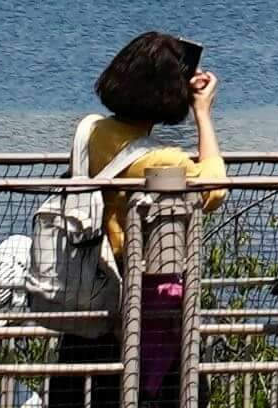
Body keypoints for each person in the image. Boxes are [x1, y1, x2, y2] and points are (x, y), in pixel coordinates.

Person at [66, 29, 226, 406]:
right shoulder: (161, 160)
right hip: (141, 291)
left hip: (89, 282)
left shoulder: (91, 131)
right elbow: (215, 188)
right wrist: (203, 113)